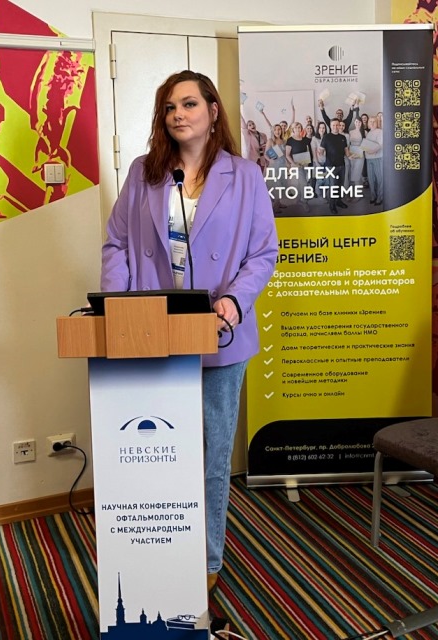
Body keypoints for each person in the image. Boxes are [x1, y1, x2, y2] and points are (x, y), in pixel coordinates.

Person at [100, 70, 278, 593]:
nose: (178, 114)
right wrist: (118, 305)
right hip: (152, 332)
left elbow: (263, 252)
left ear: (213, 110)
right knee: (155, 448)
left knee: (210, 456)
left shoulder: (245, 176)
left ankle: (206, 560)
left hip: (219, 334)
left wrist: (234, 301)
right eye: (169, 107)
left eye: (189, 103)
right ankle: (156, 550)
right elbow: (117, 244)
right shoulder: (145, 173)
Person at [319, 117, 350, 214]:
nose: (336, 127)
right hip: (330, 166)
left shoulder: (343, 137)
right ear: (330, 126)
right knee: (333, 187)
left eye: (337, 125)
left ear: (339, 126)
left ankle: (338, 201)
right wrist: (319, 153)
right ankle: (332, 205)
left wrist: (353, 156)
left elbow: (347, 152)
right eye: (333, 125)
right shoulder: (326, 137)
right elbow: (321, 151)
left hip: (342, 165)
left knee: (340, 185)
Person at [240, 108, 268, 174]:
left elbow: (267, 147)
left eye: (253, 124)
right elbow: (243, 124)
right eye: (250, 125)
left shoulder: (263, 135)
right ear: (248, 128)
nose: (252, 125)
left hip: (262, 159)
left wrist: (265, 146)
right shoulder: (248, 135)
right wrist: (239, 112)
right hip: (253, 159)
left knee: (260, 175)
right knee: (252, 175)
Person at [365, 115, 383, 206]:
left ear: (377, 123)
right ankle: (373, 196)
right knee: (371, 179)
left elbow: (380, 145)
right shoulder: (368, 133)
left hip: (377, 157)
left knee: (379, 179)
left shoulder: (380, 131)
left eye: (374, 121)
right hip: (369, 158)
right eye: (370, 121)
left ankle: (380, 197)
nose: (372, 123)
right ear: (368, 123)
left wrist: (372, 151)